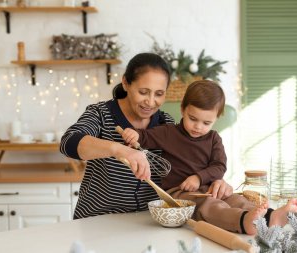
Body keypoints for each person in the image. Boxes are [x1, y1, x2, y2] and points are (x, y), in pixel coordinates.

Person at [60, 53, 233, 219]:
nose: (150, 102)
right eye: (143, 92)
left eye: (159, 94)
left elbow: (188, 169)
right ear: (126, 83)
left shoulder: (166, 123)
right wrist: (120, 150)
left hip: (148, 221)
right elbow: (68, 142)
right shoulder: (101, 114)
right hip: (97, 220)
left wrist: (215, 182)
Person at [121, 80, 297, 235]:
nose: (198, 127)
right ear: (183, 109)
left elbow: (219, 166)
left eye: (206, 123)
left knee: (236, 200)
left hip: (211, 188)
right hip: (180, 194)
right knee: (211, 206)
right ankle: (245, 222)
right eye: (193, 118)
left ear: (216, 118)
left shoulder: (214, 138)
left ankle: (270, 216)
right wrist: (133, 134)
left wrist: (199, 178)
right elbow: (144, 137)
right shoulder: (168, 133)